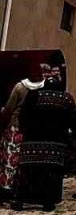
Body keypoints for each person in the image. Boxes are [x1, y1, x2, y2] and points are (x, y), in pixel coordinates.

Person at [11, 68, 76, 211]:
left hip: (32, 142)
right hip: (56, 143)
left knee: (27, 172)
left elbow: (23, 116)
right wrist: (73, 137)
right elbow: (74, 121)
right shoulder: (66, 98)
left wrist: (24, 131)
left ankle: (20, 200)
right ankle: (48, 202)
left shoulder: (33, 95)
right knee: (51, 173)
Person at [0, 70, 44, 201]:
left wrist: (3, 120)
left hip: (16, 126)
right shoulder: (45, 87)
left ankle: (7, 188)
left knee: (10, 159)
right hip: (34, 128)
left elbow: (9, 108)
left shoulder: (20, 87)